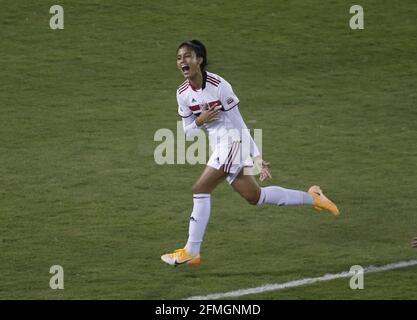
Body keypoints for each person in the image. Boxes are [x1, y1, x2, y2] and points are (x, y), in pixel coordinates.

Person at [161, 40, 340, 266]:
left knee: (200, 189)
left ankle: (191, 251)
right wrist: (200, 120)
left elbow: (239, 122)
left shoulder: (219, 86)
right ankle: (313, 197)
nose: (182, 61)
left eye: (187, 56)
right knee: (255, 197)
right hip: (219, 147)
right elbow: (187, 132)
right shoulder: (182, 93)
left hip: (233, 142)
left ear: (199, 60)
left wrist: (257, 157)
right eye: (179, 58)